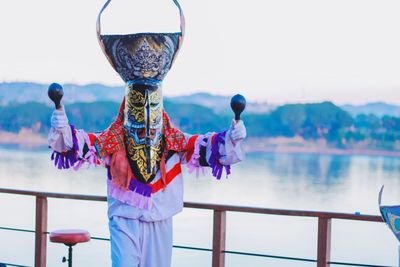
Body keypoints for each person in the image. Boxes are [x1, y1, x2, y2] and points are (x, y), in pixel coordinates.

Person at [48, 0, 246, 266]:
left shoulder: (173, 141)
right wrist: (60, 118)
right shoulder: (113, 140)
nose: (147, 120)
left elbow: (208, 148)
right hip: (124, 217)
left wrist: (233, 132)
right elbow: (78, 145)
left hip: (160, 217)